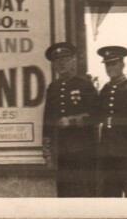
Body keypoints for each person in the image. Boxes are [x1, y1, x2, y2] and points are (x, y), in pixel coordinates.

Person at [43, 42, 98, 197]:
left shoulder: (84, 85)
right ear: (53, 64)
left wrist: (72, 121)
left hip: (84, 149)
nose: (61, 63)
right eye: (57, 60)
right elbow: (47, 119)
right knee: (64, 191)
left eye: (65, 59)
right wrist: (47, 151)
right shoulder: (53, 87)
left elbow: (96, 115)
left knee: (84, 191)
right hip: (61, 150)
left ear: (74, 60)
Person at [97, 46, 127, 197]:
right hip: (108, 149)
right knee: (110, 191)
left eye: (114, 64)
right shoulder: (105, 90)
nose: (111, 68)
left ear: (122, 64)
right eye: (108, 65)